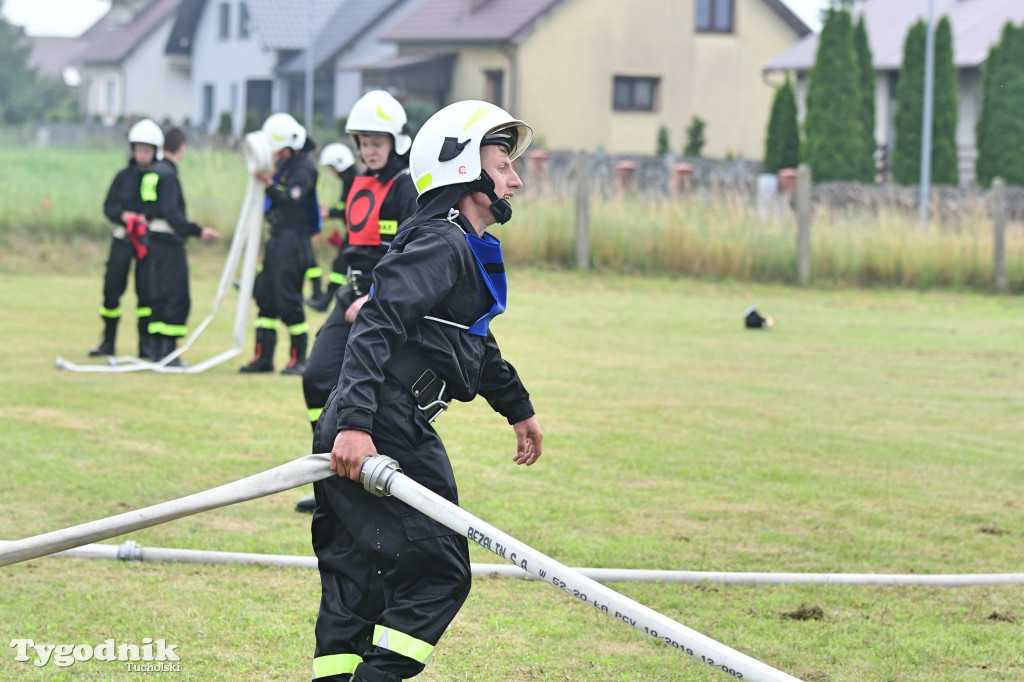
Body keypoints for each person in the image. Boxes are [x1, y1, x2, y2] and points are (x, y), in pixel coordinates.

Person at [308, 99, 543, 682]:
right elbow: (376, 324)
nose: (515, 178)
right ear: (465, 170)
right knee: (440, 571)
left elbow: (469, 344)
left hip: (366, 414)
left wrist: (517, 408)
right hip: (386, 423)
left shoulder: (451, 244)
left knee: (356, 576)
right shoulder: (441, 244)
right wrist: (358, 426)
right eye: (503, 164)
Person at [296, 90, 418, 513]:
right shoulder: (358, 183)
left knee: (375, 397)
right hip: (349, 294)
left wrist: (374, 296)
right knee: (316, 379)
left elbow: (409, 253)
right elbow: (354, 244)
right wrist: (346, 290)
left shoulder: (407, 187)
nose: (369, 150)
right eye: (363, 142)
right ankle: (325, 478)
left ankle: (371, 484)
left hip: (380, 302)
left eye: (377, 142)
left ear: (396, 142)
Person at [239, 112, 320, 375]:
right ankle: (263, 356)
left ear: (292, 146)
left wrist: (270, 184)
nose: (276, 155)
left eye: (279, 150)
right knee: (265, 298)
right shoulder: (284, 167)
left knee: (288, 299)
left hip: (293, 243)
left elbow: (292, 199)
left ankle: (299, 359)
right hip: (276, 241)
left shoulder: (304, 169)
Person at [145, 126, 220, 366]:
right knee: (176, 296)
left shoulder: (153, 172)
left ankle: (157, 350)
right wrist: (198, 231)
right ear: (182, 148)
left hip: (152, 242)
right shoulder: (169, 174)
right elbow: (171, 214)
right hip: (168, 244)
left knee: (158, 295)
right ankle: (169, 354)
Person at [90, 118, 163, 359]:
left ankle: (146, 345)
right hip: (123, 239)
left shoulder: (160, 177)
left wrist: (147, 218)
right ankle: (107, 341)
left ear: (155, 151)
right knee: (112, 289)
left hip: (146, 242)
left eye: (147, 151)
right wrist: (124, 216)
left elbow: (164, 207)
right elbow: (108, 207)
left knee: (147, 293)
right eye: (138, 150)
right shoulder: (123, 176)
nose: (142, 155)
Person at [306, 142, 358, 313]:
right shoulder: (349, 179)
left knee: (340, 266)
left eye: (331, 167)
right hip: (353, 233)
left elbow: (352, 210)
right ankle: (326, 301)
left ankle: (325, 302)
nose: (331, 171)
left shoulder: (355, 181)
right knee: (341, 267)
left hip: (358, 235)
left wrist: (329, 213)